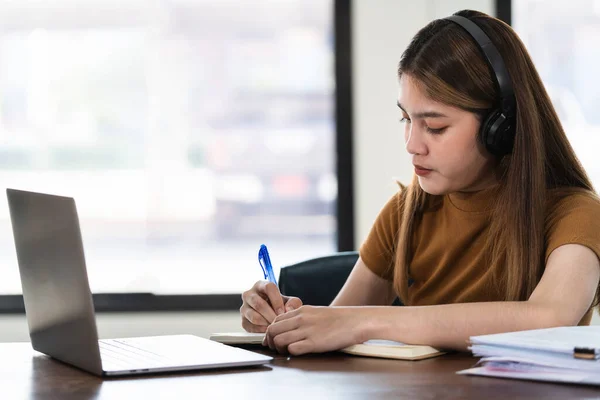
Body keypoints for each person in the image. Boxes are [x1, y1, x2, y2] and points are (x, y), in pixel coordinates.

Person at [239, 9, 600, 355]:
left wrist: (366, 323)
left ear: (500, 128)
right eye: (406, 120)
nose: (412, 144)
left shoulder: (575, 214)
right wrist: (287, 323)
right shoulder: (406, 212)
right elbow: (339, 321)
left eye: (435, 126)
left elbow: (550, 317)